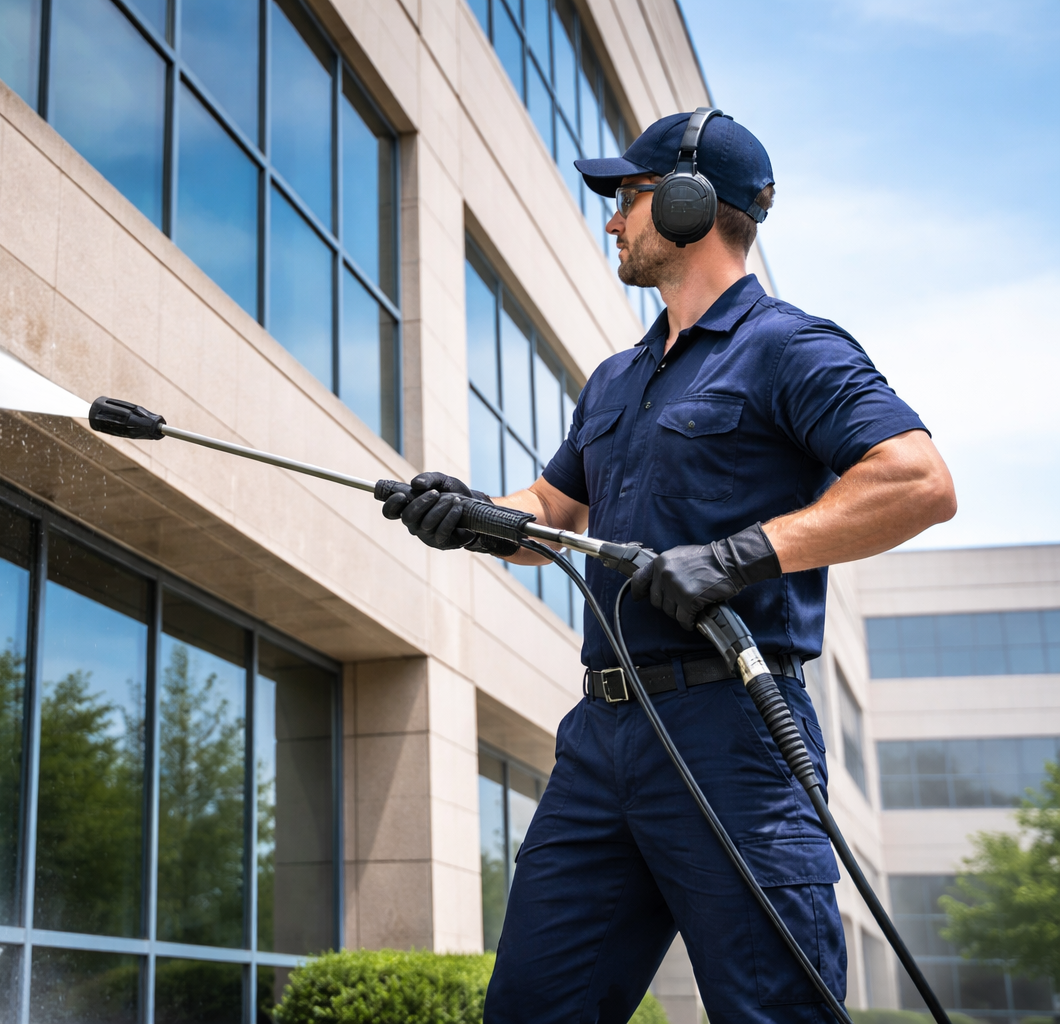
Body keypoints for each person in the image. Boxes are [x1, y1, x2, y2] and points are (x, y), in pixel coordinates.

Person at [383, 110, 956, 1024]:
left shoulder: (791, 347)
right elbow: (552, 517)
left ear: (690, 205)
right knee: (532, 1009)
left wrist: (739, 557)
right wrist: (475, 519)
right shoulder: (616, 378)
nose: (612, 219)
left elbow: (918, 481)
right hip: (602, 739)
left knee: (775, 1011)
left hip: (734, 733)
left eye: (628, 197)